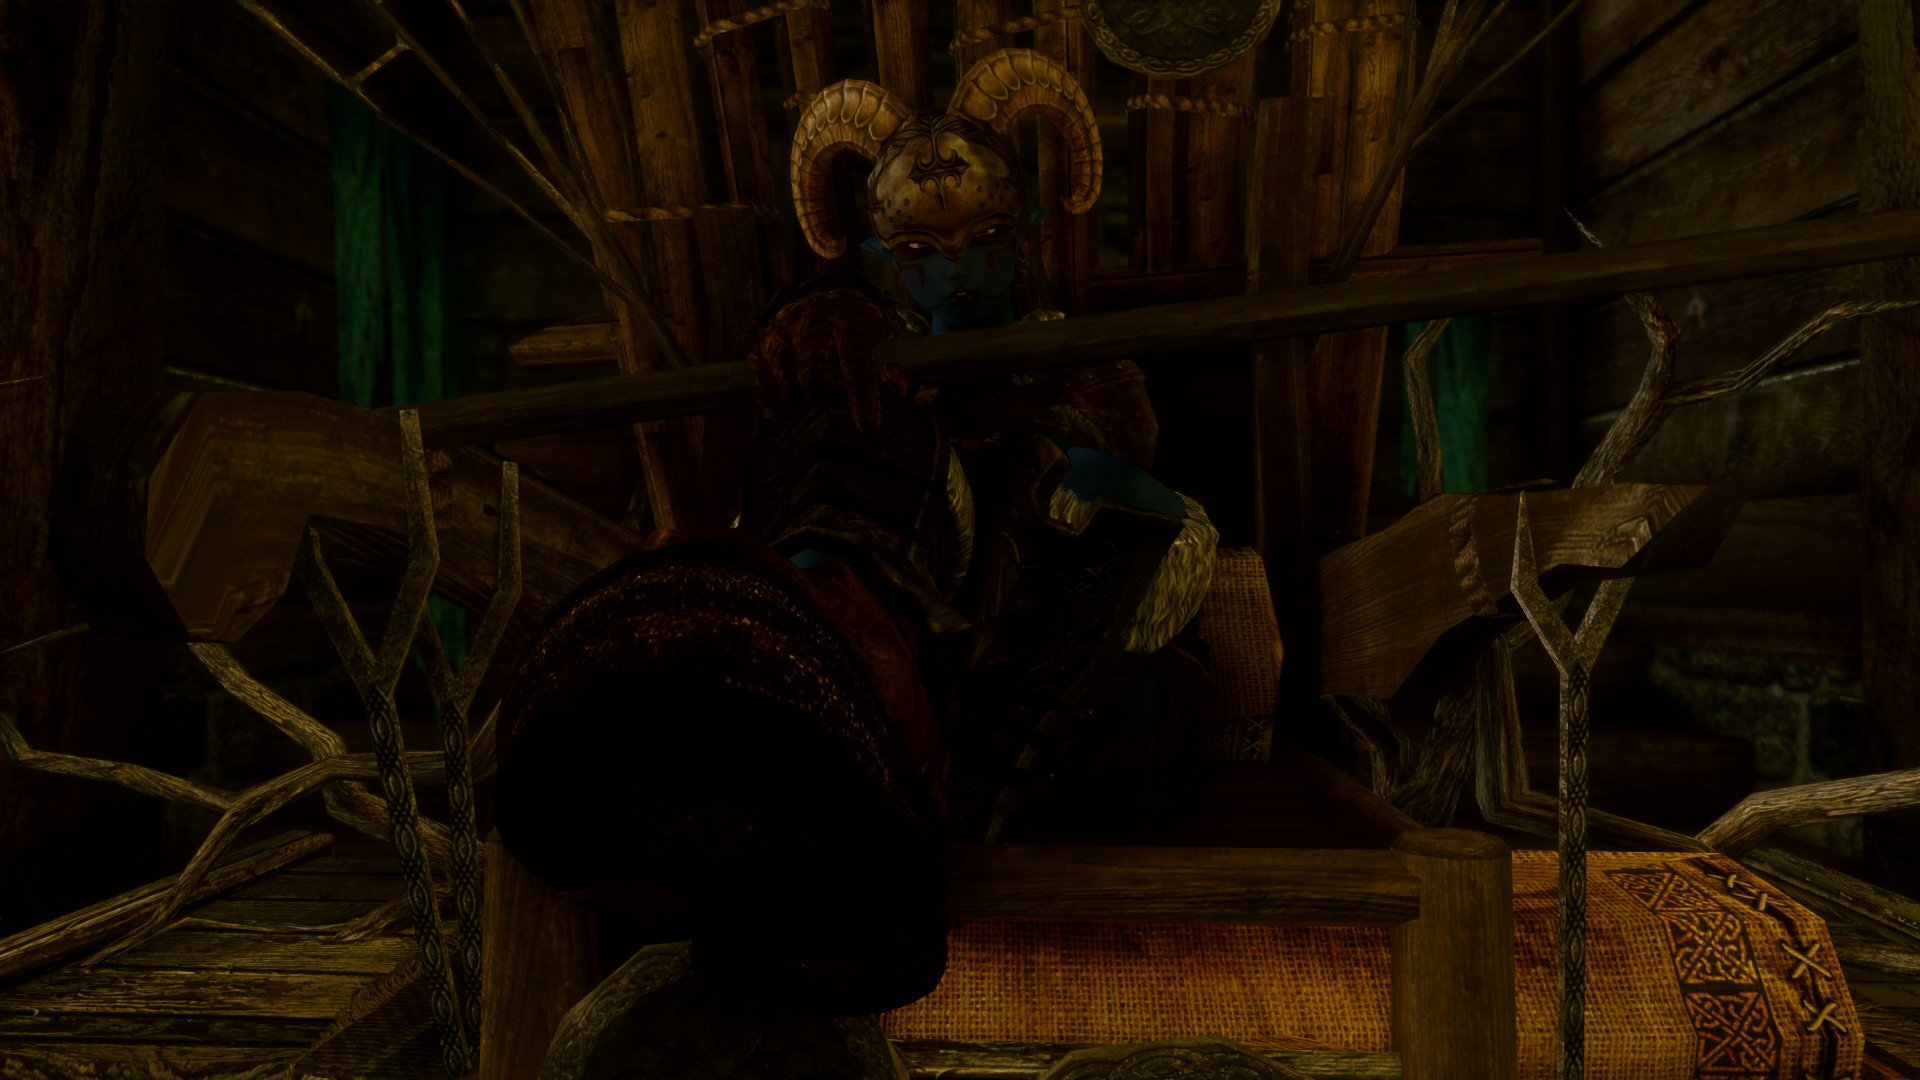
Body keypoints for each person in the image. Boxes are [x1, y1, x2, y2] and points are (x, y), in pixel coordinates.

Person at [488, 49, 1218, 1071]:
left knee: (1094, 525)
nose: (954, 274)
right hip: (855, 645)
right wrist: (822, 335)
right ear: (882, 254)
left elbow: (1120, 506)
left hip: (998, 670)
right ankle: (809, 668)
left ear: (1023, 237)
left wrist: (1035, 439)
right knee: (841, 425)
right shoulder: (867, 355)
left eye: (983, 242)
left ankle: (859, 733)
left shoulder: (1085, 370)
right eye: (919, 249)